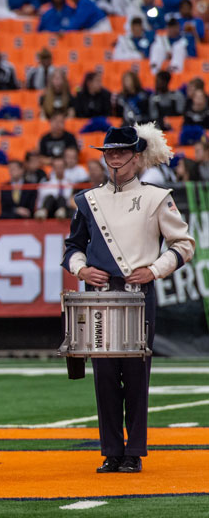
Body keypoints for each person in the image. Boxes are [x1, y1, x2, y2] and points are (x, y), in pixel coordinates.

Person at [62, 124, 194, 473]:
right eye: (109, 153)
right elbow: (72, 247)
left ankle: (133, 451)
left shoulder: (156, 196)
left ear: (136, 157)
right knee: (104, 374)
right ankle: (111, 451)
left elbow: (184, 245)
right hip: (100, 296)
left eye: (122, 152)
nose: (115, 159)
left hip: (138, 294)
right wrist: (82, 271)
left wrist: (154, 270)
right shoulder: (87, 200)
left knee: (135, 374)